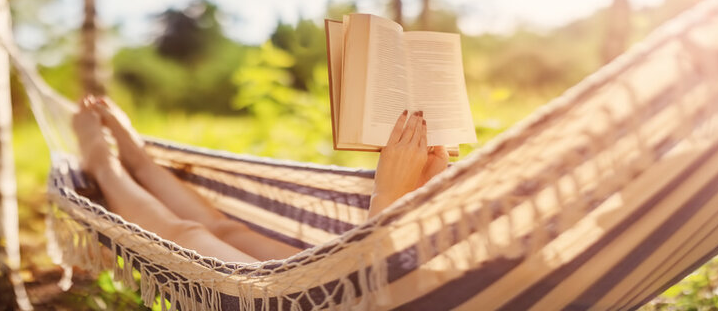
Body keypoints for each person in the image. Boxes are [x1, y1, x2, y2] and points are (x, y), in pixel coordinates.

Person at [72, 96, 449, 263]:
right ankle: (138, 161)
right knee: (226, 231)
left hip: (334, 296)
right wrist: (417, 197)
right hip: (348, 279)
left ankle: (104, 166)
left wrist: (388, 194)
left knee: (187, 237)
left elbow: (374, 293)